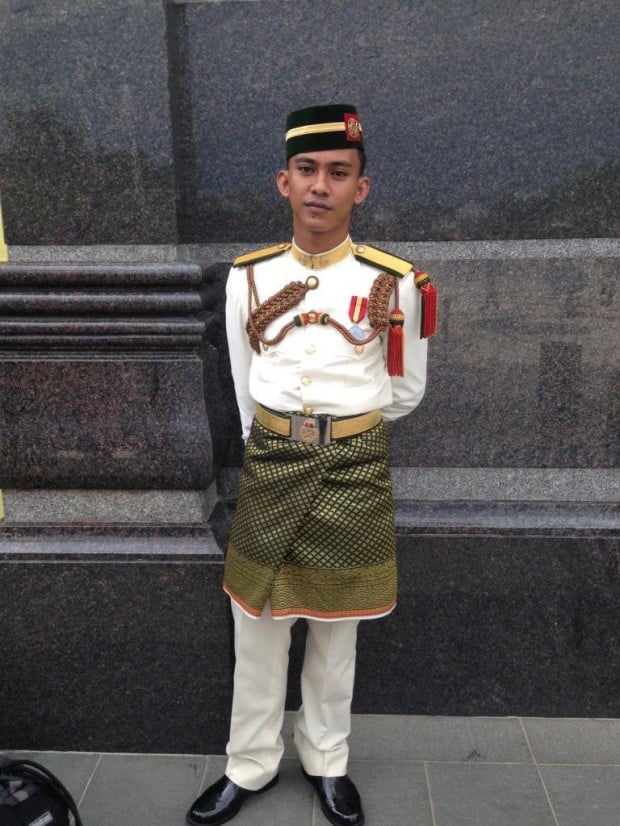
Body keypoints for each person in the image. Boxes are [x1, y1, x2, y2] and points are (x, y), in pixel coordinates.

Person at [187, 104, 436, 826]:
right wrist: (285, 437)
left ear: (361, 188)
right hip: (271, 461)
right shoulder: (249, 280)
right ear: (283, 182)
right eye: (307, 171)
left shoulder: (398, 284)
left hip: (354, 467)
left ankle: (328, 761)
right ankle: (250, 763)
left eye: (338, 172)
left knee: (337, 627)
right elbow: (240, 382)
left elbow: (407, 388)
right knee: (256, 621)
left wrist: (341, 431)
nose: (320, 185)